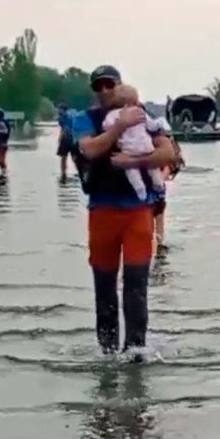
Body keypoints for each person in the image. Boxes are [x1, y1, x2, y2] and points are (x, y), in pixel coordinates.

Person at [73, 65, 176, 360]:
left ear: (120, 85)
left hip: (137, 212)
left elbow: (167, 153)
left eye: (110, 84)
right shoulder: (86, 119)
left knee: (136, 285)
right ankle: (106, 353)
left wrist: (130, 162)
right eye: (99, 86)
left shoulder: (142, 113)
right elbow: (89, 150)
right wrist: (119, 127)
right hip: (102, 211)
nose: (105, 90)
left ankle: (135, 352)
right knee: (104, 288)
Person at [102, 85, 167, 201]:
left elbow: (106, 127)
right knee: (153, 167)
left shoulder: (113, 114)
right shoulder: (140, 111)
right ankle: (159, 184)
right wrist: (159, 123)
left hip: (129, 148)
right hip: (145, 146)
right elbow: (151, 126)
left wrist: (118, 126)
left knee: (131, 171)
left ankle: (140, 189)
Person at [56, 103, 80, 180]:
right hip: (75, 139)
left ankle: (63, 173)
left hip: (66, 139)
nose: (58, 111)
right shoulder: (74, 114)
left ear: (62, 110)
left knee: (63, 157)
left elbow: (65, 129)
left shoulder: (62, 117)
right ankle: (80, 172)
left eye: (59, 109)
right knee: (75, 157)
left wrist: (60, 138)